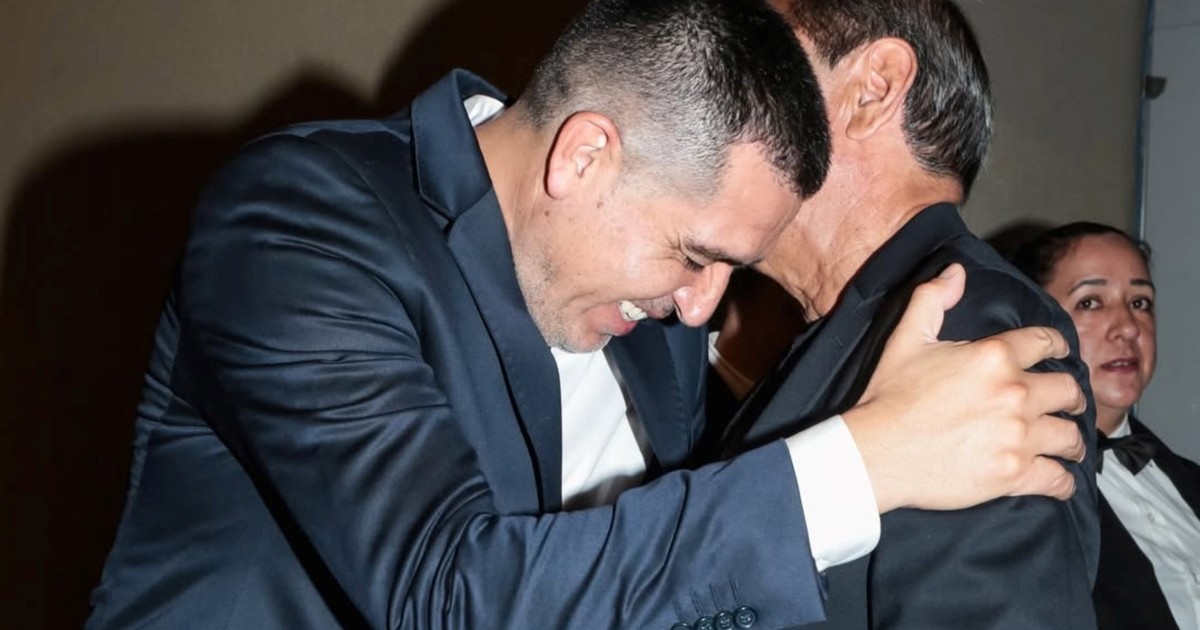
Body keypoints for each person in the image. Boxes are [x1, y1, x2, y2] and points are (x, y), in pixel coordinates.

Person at [85, 0, 1086, 628]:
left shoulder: (657, 332)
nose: (702, 309)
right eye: (694, 254)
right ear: (585, 156)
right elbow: (444, 597)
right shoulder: (302, 218)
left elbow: (650, 588)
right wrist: (859, 466)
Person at [712, 0, 1100, 627]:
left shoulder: (967, 321)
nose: (708, 94)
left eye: (751, 60)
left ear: (872, 90)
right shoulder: (840, 336)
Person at [1014, 222, 1200, 630]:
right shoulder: (1011, 495)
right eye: (1091, 302)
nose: (1129, 327)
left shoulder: (1191, 480)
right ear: (1032, 322)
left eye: (1140, 302)